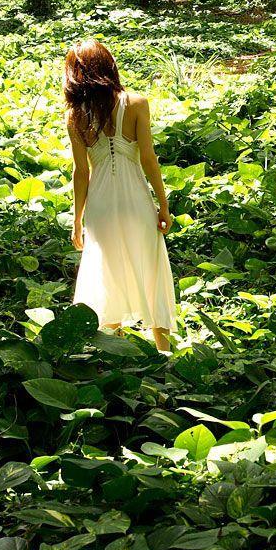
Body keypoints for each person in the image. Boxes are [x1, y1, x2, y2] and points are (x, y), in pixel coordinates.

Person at [64, 39, 176, 352]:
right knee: (151, 266)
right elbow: (148, 158)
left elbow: (81, 171)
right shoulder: (137, 103)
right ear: (108, 67)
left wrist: (77, 219)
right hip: (135, 200)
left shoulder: (75, 116)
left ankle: (112, 348)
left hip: (100, 205)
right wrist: (163, 205)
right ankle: (163, 349)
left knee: (105, 268)